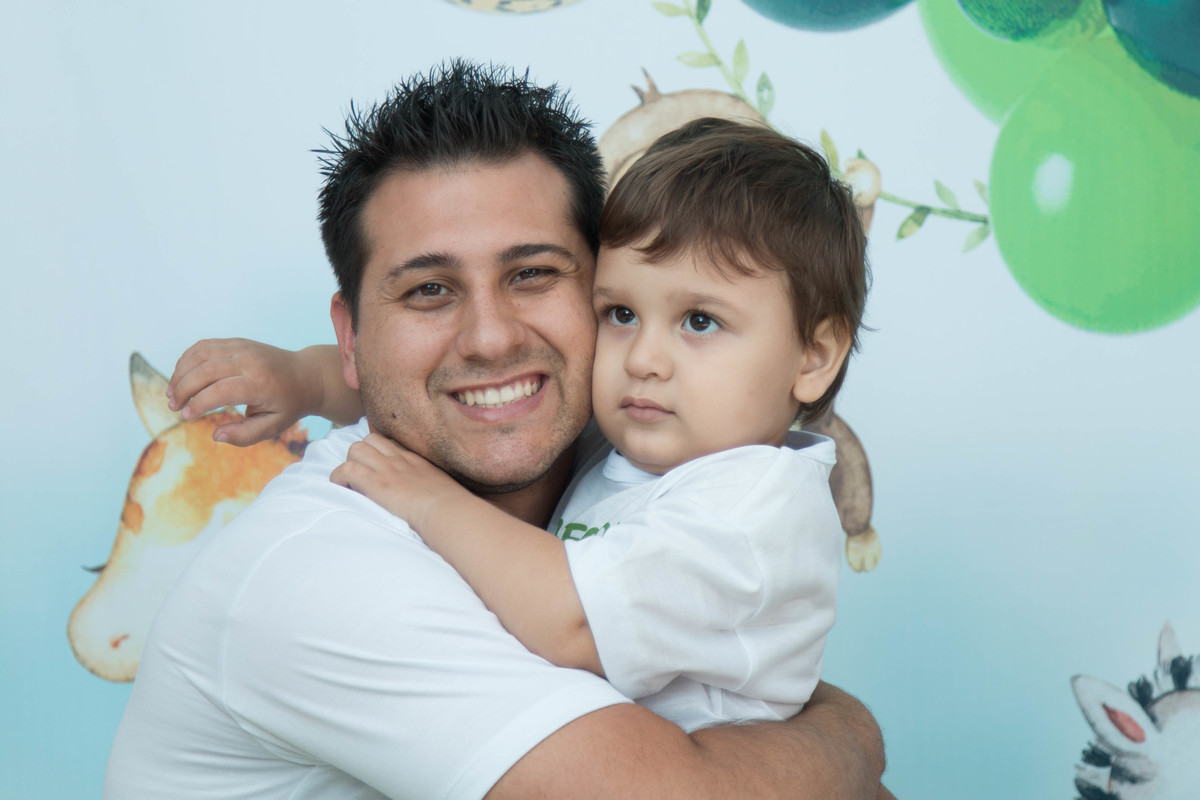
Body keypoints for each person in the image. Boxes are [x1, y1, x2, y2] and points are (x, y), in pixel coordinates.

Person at [107, 61, 888, 799]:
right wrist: (848, 736)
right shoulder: (318, 575)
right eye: (428, 291)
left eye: (533, 274)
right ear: (354, 339)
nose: (490, 339)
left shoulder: (644, 447)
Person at [322, 116, 867, 734]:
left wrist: (426, 498)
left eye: (700, 322)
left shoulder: (750, 512)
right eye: (622, 312)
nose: (641, 360)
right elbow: (430, 379)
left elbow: (570, 620)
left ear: (814, 356)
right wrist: (299, 379)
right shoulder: (647, 444)